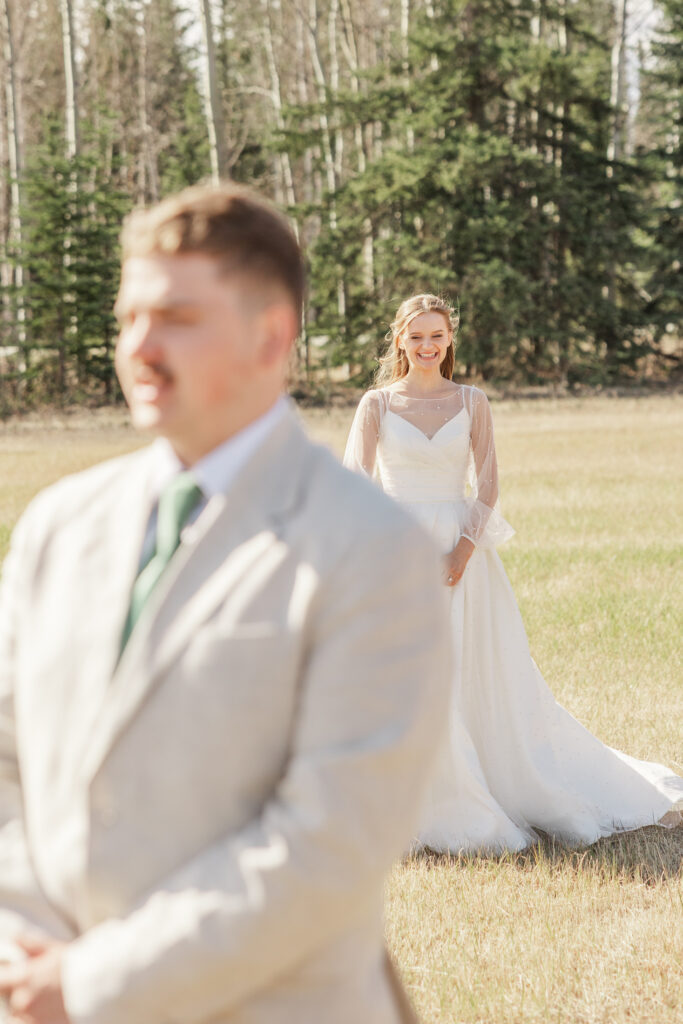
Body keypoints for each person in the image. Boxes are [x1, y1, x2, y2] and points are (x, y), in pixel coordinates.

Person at [0, 187, 452, 1024]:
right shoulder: (55, 526)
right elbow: (8, 767)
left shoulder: (371, 547)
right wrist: (20, 946)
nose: (139, 347)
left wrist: (91, 982)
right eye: (128, 318)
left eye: (175, 318)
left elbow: (330, 842)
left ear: (270, 336)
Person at [344, 292, 683, 854]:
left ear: (450, 338)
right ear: (399, 339)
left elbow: (488, 485)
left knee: (475, 672)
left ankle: (485, 789)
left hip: (463, 556)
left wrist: (462, 550)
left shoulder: (471, 401)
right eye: (417, 336)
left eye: (437, 335)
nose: (427, 346)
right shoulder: (376, 405)